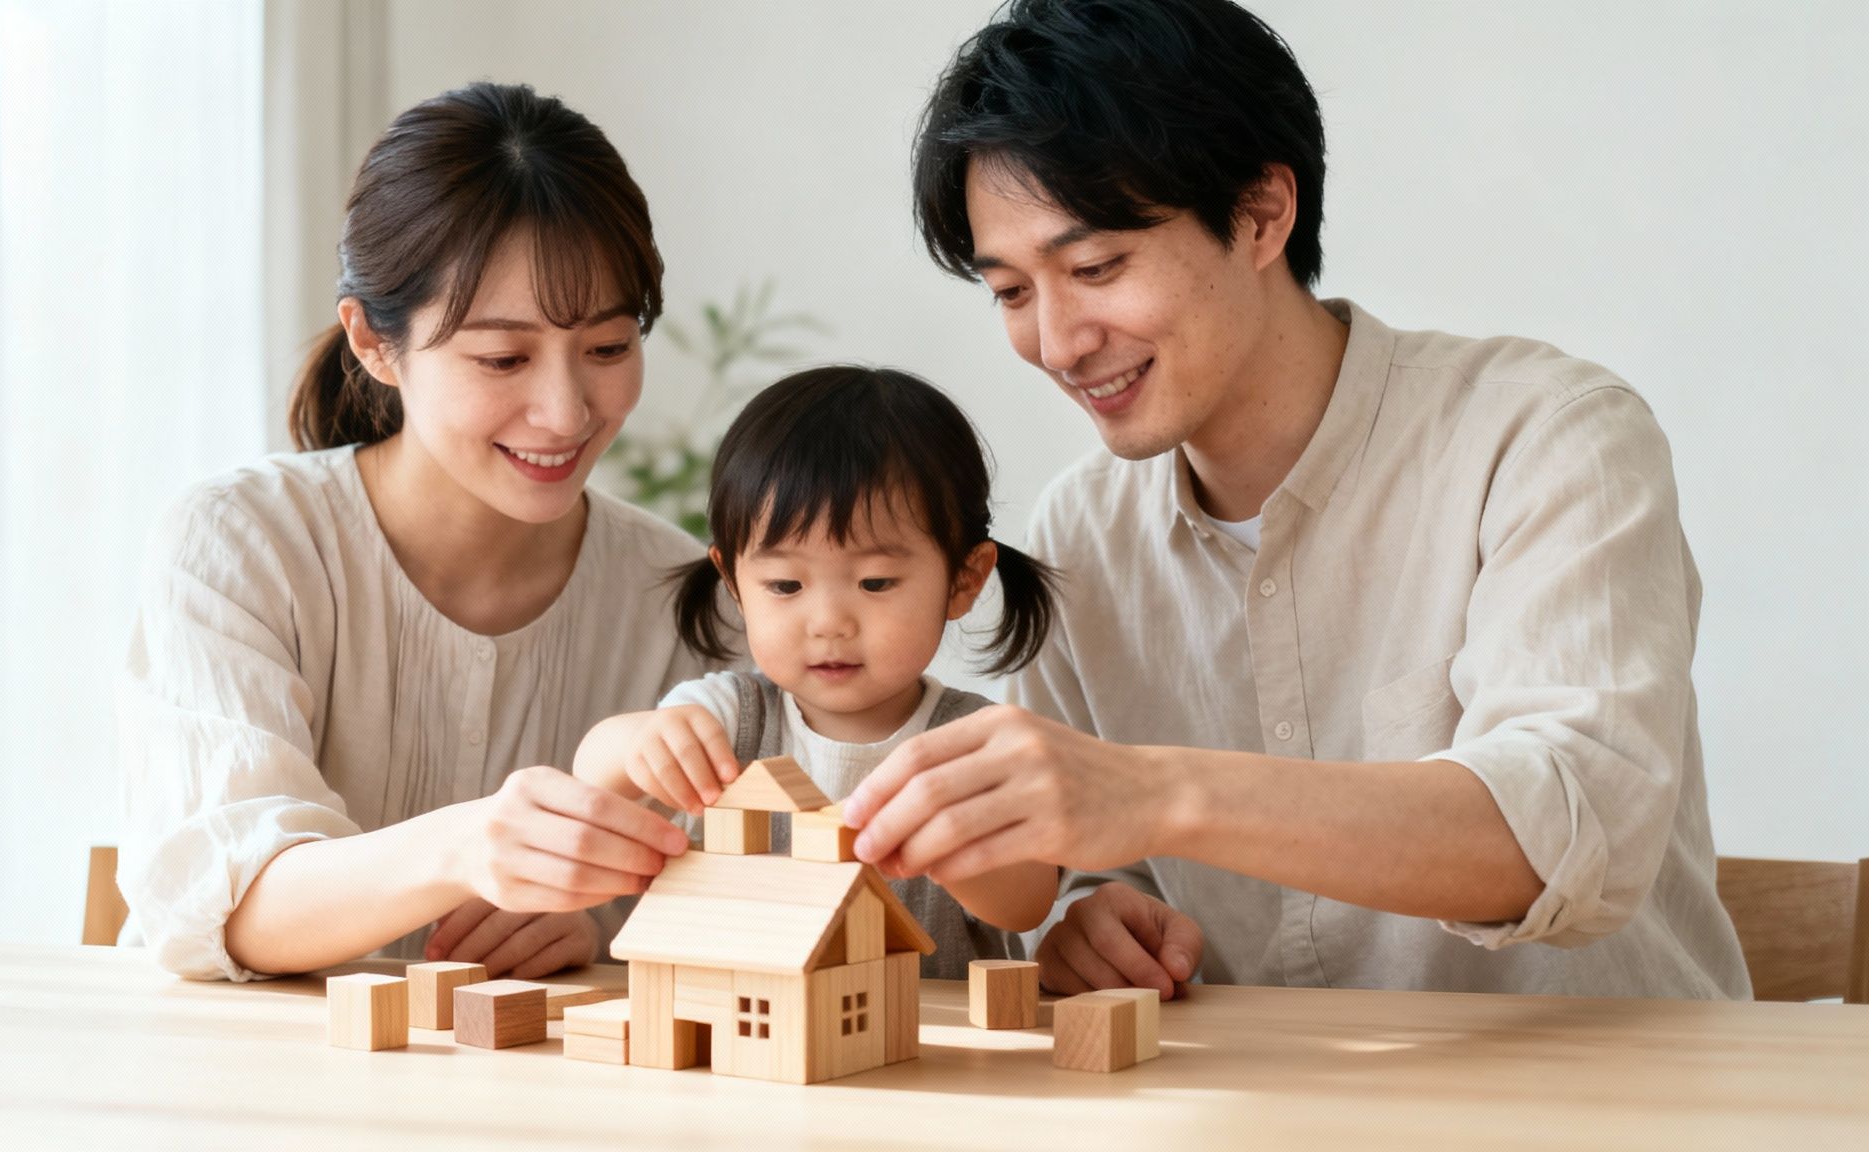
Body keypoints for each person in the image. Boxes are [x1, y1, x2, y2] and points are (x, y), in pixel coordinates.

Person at [843, 0, 1750, 1000]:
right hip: (1263, 1108)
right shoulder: (1079, 534)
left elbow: (1567, 828)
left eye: (1095, 266)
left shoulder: (1546, 435)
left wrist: (1155, 794)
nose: (1056, 344)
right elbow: (1103, 862)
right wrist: (1087, 918)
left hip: (1612, 1105)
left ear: (1260, 214)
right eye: (1011, 292)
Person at [117, 82, 711, 982]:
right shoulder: (237, 543)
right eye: (502, 358)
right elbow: (229, 904)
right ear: (373, 342)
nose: (564, 411)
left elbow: (739, 893)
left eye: (607, 347)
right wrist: (470, 846)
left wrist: (604, 930)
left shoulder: (682, 597)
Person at [572, 366, 1062, 977]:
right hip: (744, 1045)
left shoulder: (973, 740)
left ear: (964, 579)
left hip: (926, 1044)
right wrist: (640, 743)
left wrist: (958, 837)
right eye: (785, 585)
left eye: (875, 582)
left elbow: (1026, 905)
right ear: (733, 582)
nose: (828, 621)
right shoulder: (729, 718)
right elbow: (592, 777)